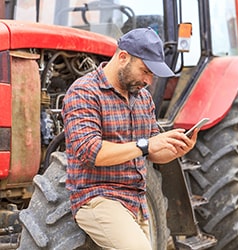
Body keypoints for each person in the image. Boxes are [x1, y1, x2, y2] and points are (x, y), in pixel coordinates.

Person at [62, 27, 198, 250]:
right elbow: (90, 152)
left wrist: (177, 148)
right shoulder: (84, 92)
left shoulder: (143, 98)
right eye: (145, 71)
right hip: (98, 198)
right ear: (123, 57)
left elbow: (153, 152)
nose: (148, 81)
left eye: (151, 75)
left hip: (137, 202)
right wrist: (146, 144)